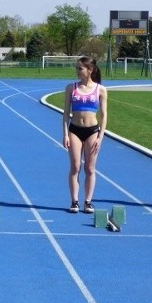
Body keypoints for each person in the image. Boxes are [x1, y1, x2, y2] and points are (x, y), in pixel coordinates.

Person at [63, 56, 108, 213]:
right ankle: (74, 201)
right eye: (77, 68)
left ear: (90, 70)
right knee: (75, 167)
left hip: (92, 132)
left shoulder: (100, 89)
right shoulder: (71, 88)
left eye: (80, 68)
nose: (77, 71)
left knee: (90, 168)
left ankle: (88, 202)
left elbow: (104, 115)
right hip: (74, 130)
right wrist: (65, 134)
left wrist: (101, 137)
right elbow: (66, 113)